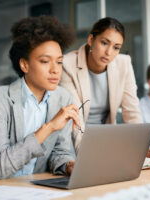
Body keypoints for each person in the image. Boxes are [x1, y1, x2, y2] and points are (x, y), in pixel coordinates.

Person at [0, 16, 80, 183]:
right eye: (45, 61)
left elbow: (60, 152)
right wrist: (49, 127)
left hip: (32, 188)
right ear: (24, 65)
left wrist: (68, 165)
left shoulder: (63, 98)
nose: (55, 70)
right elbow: (0, 167)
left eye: (59, 62)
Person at [60, 17, 143, 153]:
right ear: (91, 40)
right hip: (74, 144)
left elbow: (132, 111)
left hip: (107, 141)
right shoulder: (68, 64)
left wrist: (141, 148)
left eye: (116, 48)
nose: (109, 53)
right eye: (104, 43)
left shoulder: (124, 64)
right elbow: (76, 120)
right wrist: (87, 155)